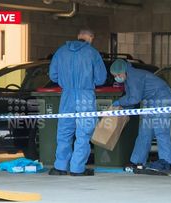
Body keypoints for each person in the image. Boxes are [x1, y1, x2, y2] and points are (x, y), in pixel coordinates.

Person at [48, 29, 107, 176]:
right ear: (90, 37)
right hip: (85, 96)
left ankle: (60, 166)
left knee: (64, 131)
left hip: (67, 95)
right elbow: (101, 79)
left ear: (78, 36)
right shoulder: (92, 53)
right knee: (83, 133)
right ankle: (77, 168)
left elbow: (53, 75)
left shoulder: (61, 51)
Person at [110, 59, 171, 171]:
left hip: (162, 96)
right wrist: (122, 108)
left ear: (123, 71)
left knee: (161, 130)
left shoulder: (134, 76)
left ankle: (167, 162)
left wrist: (119, 102)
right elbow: (132, 99)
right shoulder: (128, 79)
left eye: (117, 75)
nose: (117, 78)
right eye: (115, 76)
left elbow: (134, 98)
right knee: (145, 131)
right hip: (150, 99)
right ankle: (137, 161)